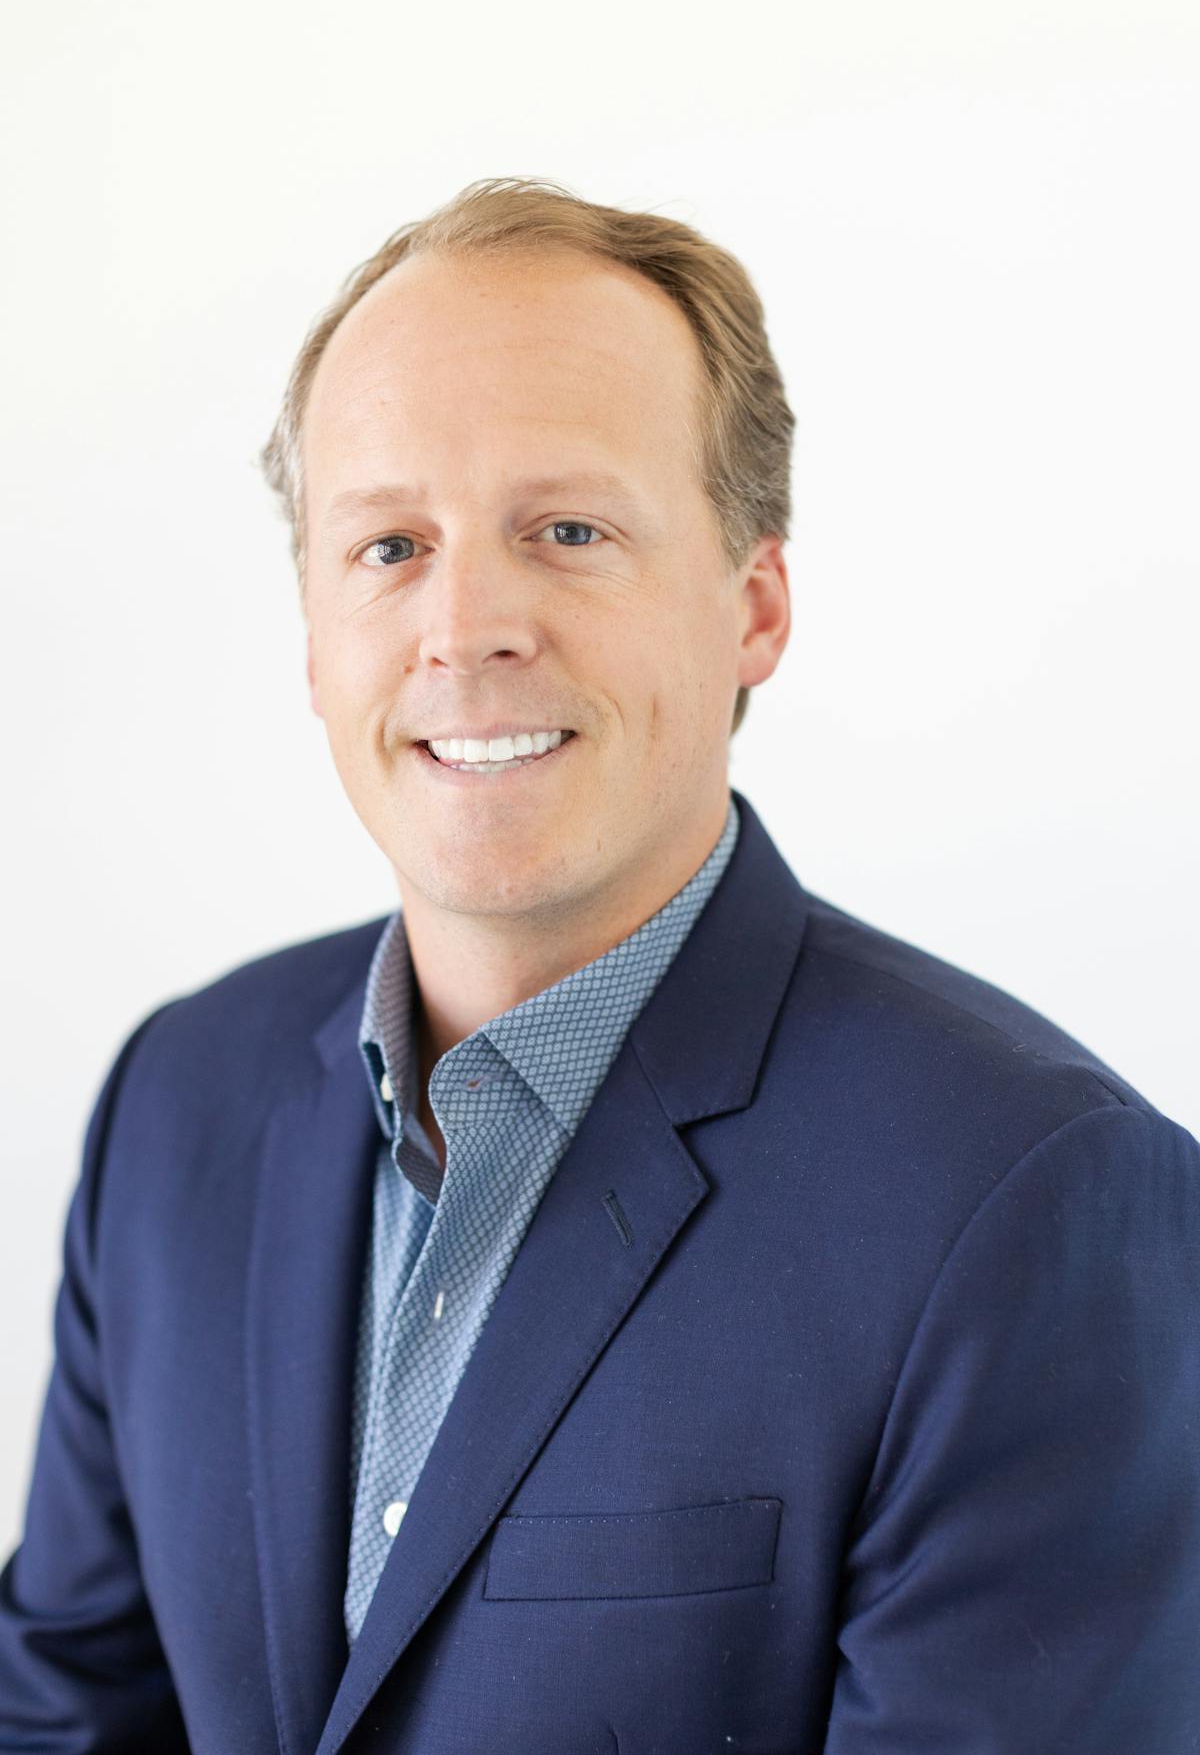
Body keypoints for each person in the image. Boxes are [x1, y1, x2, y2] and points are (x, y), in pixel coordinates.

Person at [1, 176, 1196, 1755]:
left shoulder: (1043, 1207)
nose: (467, 622)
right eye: (388, 544)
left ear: (753, 605)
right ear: (309, 628)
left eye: (568, 530)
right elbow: (63, 1719)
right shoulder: (176, 1103)